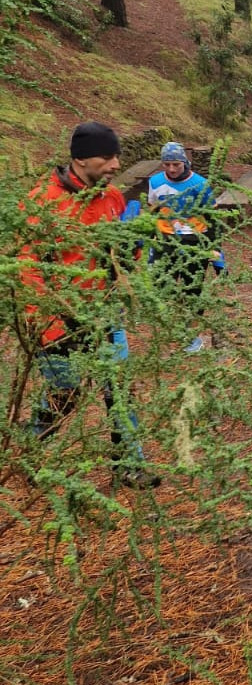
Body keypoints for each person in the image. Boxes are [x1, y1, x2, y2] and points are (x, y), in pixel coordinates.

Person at [20, 120, 161, 489]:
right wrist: (46, 326)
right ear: (81, 160)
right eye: (107, 157)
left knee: (120, 390)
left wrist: (134, 239)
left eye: (117, 156)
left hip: (104, 313)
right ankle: (31, 447)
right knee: (64, 394)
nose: (116, 165)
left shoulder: (111, 197)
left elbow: (119, 257)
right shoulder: (43, 201)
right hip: (59, 318)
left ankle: (129, 462)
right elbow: (28, 269)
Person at [146, 141, 223, 353]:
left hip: (194, 239)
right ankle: (171, 330)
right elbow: (152, 210)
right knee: (163, 287)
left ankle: (193, 336)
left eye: (176, 165)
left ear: (185, 163)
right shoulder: (155, 182)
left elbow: (213, 218)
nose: (171, 169)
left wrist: (215, 248)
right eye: (167, 164)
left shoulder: (200, 184)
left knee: (192, 288)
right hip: (165, 239)